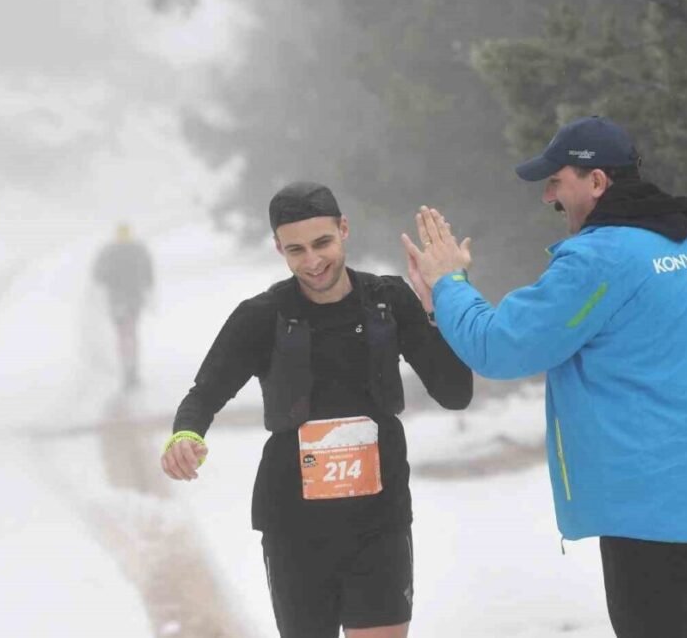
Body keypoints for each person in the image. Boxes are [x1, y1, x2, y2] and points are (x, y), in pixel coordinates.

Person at [400, 116, 687, 638]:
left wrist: (449, 284)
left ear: (597, 181)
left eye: (555, 182)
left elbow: (501, 348)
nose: (548, 197)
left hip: (650, 519)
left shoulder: (600, 260)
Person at [161, 181, 472, 638]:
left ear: (344, 229)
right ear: (279, 248)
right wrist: (186, 435)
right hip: (294, 527)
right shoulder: (261, 315)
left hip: (378, 520)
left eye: (322, 242)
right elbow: (204, 393)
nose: (312, 261)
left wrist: (440, 303)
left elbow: (455, 393)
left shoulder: (388, 300)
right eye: (296, 250)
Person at [93, 222, 154, 389]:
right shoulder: (138, 250)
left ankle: (127, 367)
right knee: (131, 332)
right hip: (133, 298)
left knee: (123, 334)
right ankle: (131, 368)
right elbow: (149, 275)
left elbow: (97, 276)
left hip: (117, 299)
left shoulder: (109, 252)